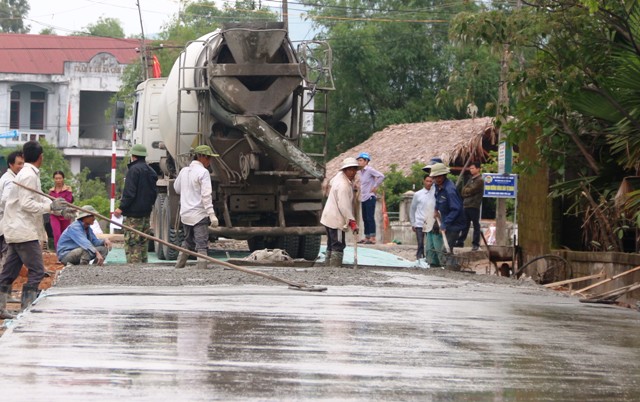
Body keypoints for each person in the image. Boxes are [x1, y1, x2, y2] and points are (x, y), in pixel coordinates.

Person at [0, 141, 75, 318]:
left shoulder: (26, 173)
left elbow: (38, 200)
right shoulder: (29, 176)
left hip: (16, 229)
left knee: (8, 272)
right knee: (37, 271)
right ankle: (26, 310)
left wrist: (58, 207)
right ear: (41, 157)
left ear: (25, 157)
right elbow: (27, 204)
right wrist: (51, 208)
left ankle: (1, 308)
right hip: (24, 231)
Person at [174, 145, 219, 270]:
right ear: (202, 157)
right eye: (208, 158)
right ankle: (201, 268)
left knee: (188, 241)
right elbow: (206, 195)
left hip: (185, 214)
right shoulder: (203, 172)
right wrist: (212, 214)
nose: (209, 161)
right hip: (199, 214)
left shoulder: (184, 171)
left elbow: (177, 188)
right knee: (201, 244)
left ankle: (179, 265)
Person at [114, 144, 158, 263]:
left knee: (133, 243)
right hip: (146, 213)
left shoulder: (133, 170)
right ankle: (142, 268)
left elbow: (129, 193)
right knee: (143, 242)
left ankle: (134, 269)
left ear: (133, 156)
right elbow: (154, 193)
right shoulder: (151, 171)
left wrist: (121, 208)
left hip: (133, 215)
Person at [320, 157, 359, 267]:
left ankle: (328, 265)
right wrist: (352, 221)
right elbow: (344, 206)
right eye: (349, 170)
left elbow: (331, 182)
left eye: (354, 169)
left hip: (329, 216)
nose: (352, 172)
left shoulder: (339, 177)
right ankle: (335, 267)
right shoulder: (343, 186)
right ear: (345, 170)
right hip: (336, 219)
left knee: (331, 243)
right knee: (338, 243)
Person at [429, 162, 466, 257]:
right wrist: (436, 209)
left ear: (444, 176)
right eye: (435, 177)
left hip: (455, 223)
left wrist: (445, 224)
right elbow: (438, 199)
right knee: (448, 249)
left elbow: (456, 209)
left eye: (439, 177)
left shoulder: (450, 190)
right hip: (446, 220)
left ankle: (451, 268)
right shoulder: (437, 186)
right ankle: (451, 265)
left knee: (446, 250)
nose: (436, 179)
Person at [0, 151, 24, 266]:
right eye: (19, 164)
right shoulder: (10, 180)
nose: (21, 166)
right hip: (6, 223)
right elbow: (5, 200)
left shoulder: (10, 177)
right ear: (11, 164)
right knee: (7, 254)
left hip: (5, 222)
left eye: (23, 163)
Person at [356, 152, 384, 244]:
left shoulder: (370, 170)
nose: (359, 162)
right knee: (365, 218)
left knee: (370, 217)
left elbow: (381, 176)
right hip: (363, 197)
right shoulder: (360, 172)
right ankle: (367, 236)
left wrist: (375, 186)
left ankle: (373, 237)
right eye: (358, 160)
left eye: (360, 160)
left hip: (370, 197)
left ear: (366, 161)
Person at [459, 162, 484, 251]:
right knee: (465, 224)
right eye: (470, 168)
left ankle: (475, 244)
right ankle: (460, 241)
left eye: (473, 168)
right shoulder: (470, 179)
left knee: (476, 225)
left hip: (474, 205)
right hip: (466, 204)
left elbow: (471, 190)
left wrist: (466, 191)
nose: (471, 170)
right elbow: (463, 191)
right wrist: (466, 191)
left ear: (478, 169)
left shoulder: (480, 180)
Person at [49, 170, 74, 249]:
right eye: (56, 178)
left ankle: (64, 251)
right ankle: (58, 252)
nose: (58, 180)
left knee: (65, 234)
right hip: (54, 214)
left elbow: (68, 201)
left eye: (60, 178)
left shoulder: (68, 190)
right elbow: (49, 202)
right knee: (56, 234)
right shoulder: (51, 191)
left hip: (65, 214)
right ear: (54, 179)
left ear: (63, 179)